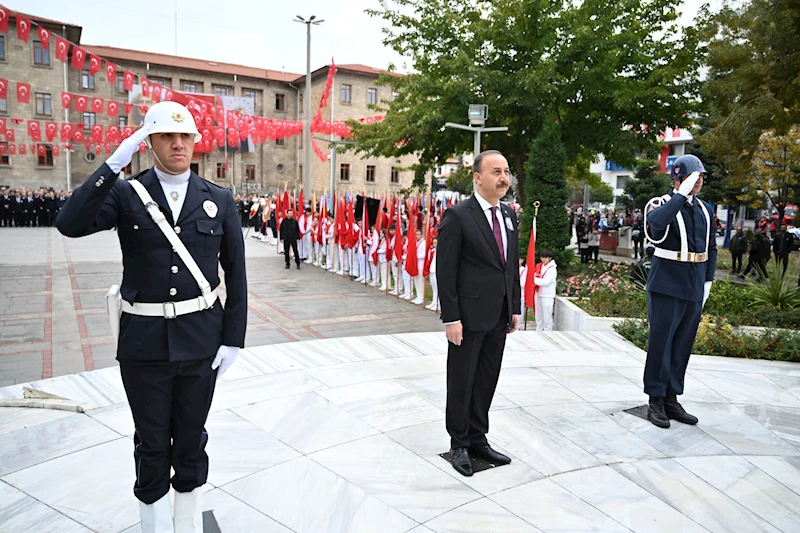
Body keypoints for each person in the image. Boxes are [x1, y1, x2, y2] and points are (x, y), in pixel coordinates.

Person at [56, 101, 246, 533]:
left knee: (192, 441)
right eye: (166, 136)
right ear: (150, 142)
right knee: (152, 441)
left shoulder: (218, 199)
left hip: (201, 341)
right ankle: (154, 526)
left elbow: (236, 272)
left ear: (196, 141)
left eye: (185, 136)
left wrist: (233, 338)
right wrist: (114, 163)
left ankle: (187, 524)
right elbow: (69, 223)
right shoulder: (127, 193)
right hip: (144, 343)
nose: (177, 144)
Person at [437, 149, 521, 477]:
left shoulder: (510, 215)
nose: (503, 178)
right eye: (496, 172)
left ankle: (477, 437)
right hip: (468, 317)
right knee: (462, 379)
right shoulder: (458, 216)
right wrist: (451, 318)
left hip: (499, 314)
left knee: (487, 378)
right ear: (477, 177)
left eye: (506, 171)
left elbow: (510, 266)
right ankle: (458, 442)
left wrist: (513, 306)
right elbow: (446, 271)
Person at [642, 154, 717, 429]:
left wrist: (707, 281)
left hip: (694, 283)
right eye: (692, 177)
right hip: (666, 283)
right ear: (677, 178)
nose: (698, 181)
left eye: (700, 177)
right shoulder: (661, 204)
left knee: (683, 344)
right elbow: (657, 224)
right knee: (661, 343)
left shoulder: (705, 210)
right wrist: (680, 195)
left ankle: (672, 397)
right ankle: (655, 399)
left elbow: (711, 248)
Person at [533, 250, 558, 331]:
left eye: (545, 258)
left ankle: (548, 332)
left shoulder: (552, 269)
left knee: (547, 316)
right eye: (542, 257)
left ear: (549, 258)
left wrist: (532, 280)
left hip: (547, 295)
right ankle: (539, 331)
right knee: (539, 315)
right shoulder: (539, 266)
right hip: (538, 293)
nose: (543, 259)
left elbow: (546, 282)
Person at [426, 237, 440, 312]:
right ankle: (434, 302)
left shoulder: (441, 251)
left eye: (436, 243)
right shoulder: (432, 251)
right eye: (433, 243)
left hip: (436, 271)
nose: (434, 244)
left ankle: (438, 304)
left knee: (438, 288)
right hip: (432, 270)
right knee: (434, 288)